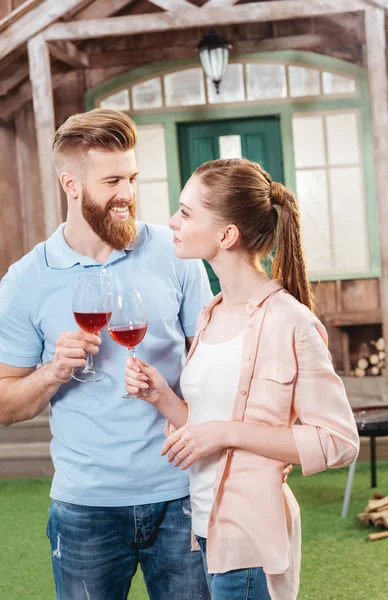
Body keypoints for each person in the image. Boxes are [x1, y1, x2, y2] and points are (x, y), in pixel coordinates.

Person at [0, 108, 214, 600]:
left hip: (182, 494)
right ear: (71, 184)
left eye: (133, 177)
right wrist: (53, 372)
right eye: (112, 180)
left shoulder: (175, 252)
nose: (128, 193)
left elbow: (212, 362)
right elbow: (7, 405)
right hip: (85, 508)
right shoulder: (26, 280)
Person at [124, 158, 360, 600]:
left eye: (186, 212)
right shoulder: (210, 313)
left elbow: (339, 440)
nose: (173, 221)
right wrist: (162, 398)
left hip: (251, 538)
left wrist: (226, 433)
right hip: (204, 528)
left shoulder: (291, 321)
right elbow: (206, 427)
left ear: (226, 235)